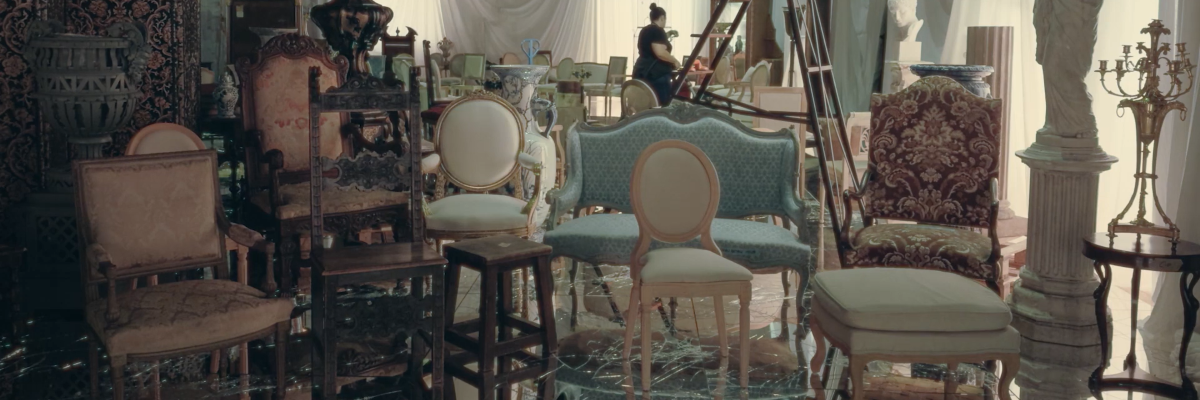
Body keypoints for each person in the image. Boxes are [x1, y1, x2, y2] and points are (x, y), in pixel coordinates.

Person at [634, 3, 683, 105]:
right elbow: (660, 52)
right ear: (662, 18)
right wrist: (675, 61)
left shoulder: (644, 30)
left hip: (641, 70)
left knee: (645, 106)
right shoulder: (658, 31)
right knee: (662, 106)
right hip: (656, 75)